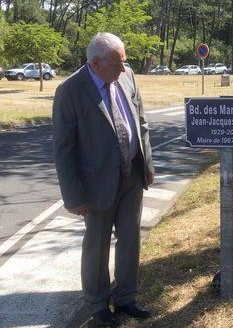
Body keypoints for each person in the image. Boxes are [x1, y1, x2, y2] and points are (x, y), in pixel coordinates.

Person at [53, 32, 155, 326]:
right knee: (97, 245)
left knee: (130, 240)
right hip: (95, 185)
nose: (123, 70)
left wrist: (147, 163)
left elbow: (142, 123)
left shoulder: (128, 76)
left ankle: (126, 297)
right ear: (96, 64)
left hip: (132, 175)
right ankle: (97, 303)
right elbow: (63, 148)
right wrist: (73, 197)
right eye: (117, 64)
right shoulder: (70, 91)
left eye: (124, 62)